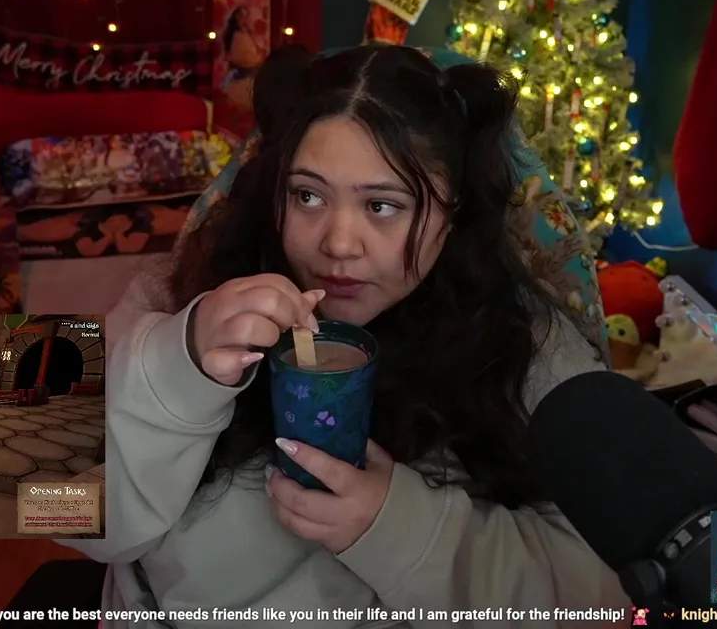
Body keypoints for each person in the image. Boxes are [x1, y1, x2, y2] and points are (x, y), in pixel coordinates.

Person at [59, 45, 626, 626]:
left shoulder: (531, 345)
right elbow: (44, 507)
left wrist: (399, 527)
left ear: (453, 214)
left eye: (382, 205)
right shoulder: (170, 289)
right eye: (307, 196)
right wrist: (177, 368)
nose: (338, 243)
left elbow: (610, 600)